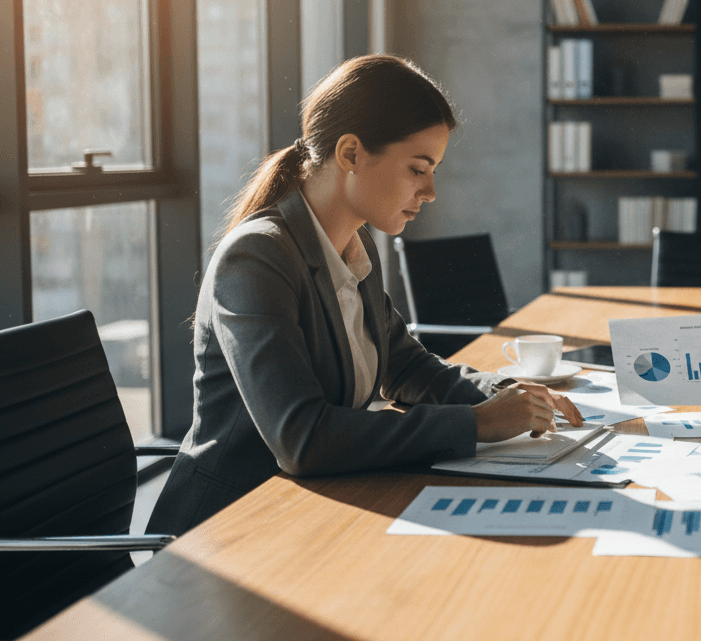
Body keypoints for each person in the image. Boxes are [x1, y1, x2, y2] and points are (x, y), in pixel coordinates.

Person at [147, 55, 582, 536]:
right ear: (351, 153)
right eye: (418, 169)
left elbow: (406, 366)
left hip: (313, 511)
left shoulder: (351, 244)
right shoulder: (257, 259)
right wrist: (476, 425)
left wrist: (503, 396)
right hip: (227, 533)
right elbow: (302, 438)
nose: (432, 191)